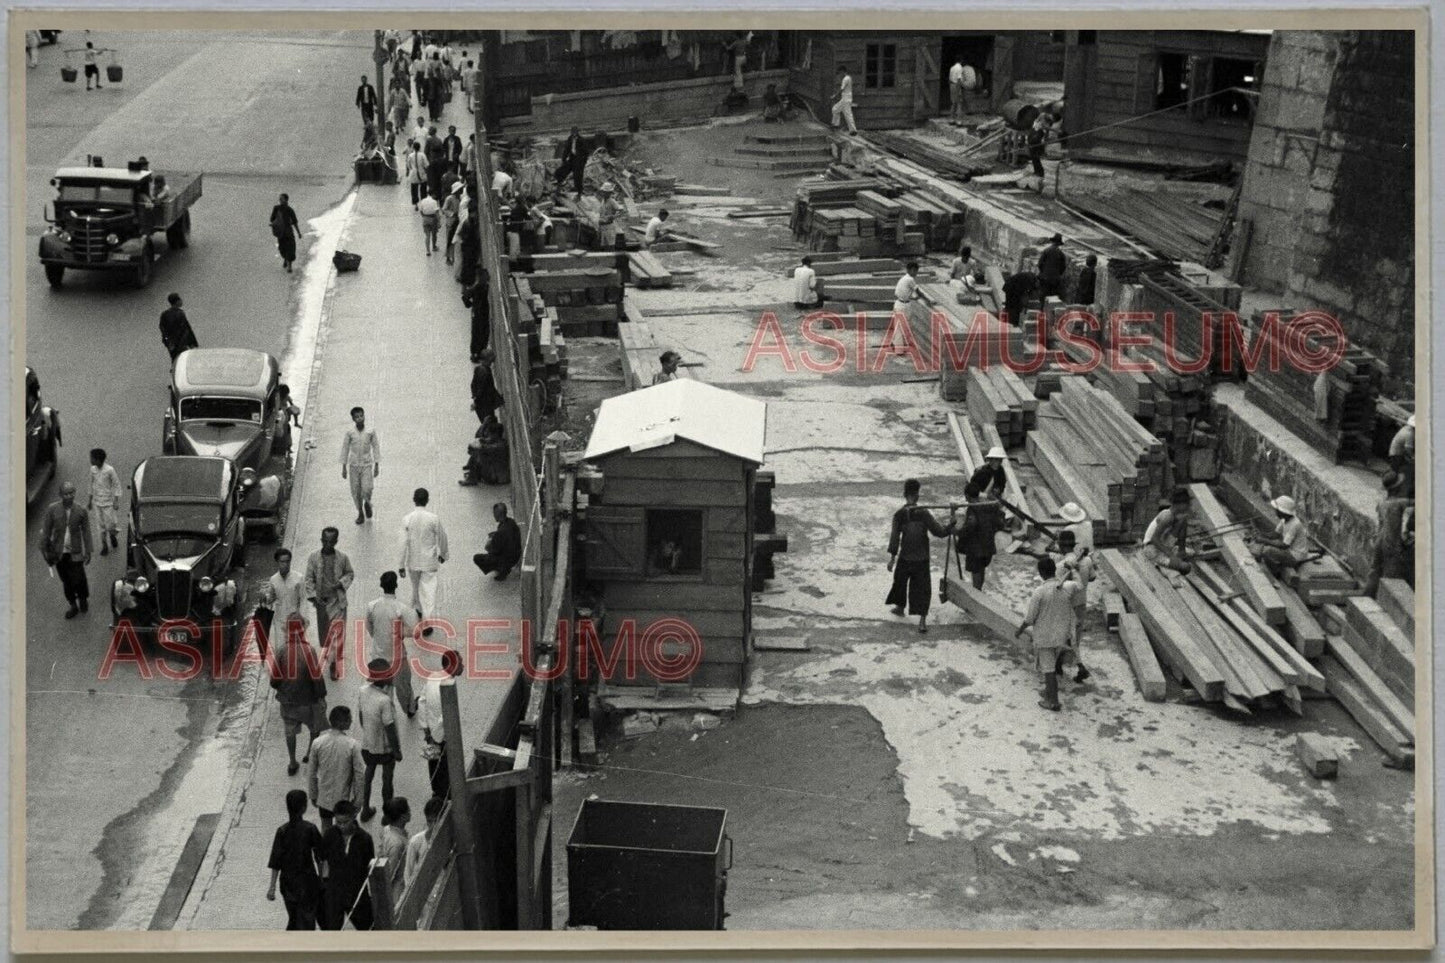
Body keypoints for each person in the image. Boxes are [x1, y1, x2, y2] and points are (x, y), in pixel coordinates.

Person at [885, 479, 954, 634]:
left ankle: (901, 608)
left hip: (906, 556)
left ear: (905, 495)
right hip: (920, 558)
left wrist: (892, 558)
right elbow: (939, 532)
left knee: (900, 582)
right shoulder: (923, 513)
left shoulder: (900, 514)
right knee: (920, 588)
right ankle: (919, 620)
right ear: (916, 496)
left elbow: (894, 537)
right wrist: (950, 526)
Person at [1017, 557, 1083, 712]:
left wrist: (1019, 630)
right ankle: (1049, 694)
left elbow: (1030, 618)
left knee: (1049, 670)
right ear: (1054, 569)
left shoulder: (1039, 592)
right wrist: (1073, 570)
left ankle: (1053, 702)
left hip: (1045, 637)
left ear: (1041, 573)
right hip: (1061, 636)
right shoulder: (1066, 587)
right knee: (1053, 666)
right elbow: (1080, 585)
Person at [272, 622, 328, 776]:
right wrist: (321, 696)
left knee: (289, 731)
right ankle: (309, 753)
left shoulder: (282, 650)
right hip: (307, 701)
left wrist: (284, 689)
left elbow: (273, 680)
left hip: (288, 702)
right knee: (314, 728)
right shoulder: (309, 650)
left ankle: (292, 762)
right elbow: (317, 677)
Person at [266, 789, 325, 930]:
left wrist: (272, 887)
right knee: (307, 920)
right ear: (304, 808)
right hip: (308, 883)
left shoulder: (282, 831)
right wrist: (322, 880)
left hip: (288, 885)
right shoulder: (310, 829)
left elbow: (276, 862)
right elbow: (320, 857)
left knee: (295, 917)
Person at [365, 571, 420, 717]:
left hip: (378, 654)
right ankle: (410, 708)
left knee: (382, 687)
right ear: (396, 585)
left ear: (381, 586)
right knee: (403, 686)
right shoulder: (401, 608)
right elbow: (416, 631)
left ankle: (385, 713)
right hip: (397, 656)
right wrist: (401, 634)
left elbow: (369, 626)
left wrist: (378, 638)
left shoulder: (372, 606)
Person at [357, 659, 404, 822]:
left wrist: (368, 733)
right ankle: (387, 814)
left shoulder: (363, 691)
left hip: (368, 745)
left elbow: (361, 715)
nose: (392, 676)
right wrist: (396, 750)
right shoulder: (384, 701)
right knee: (387, 780)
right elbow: (390, 728)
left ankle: (365, 809)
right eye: (389, 675)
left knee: (368, 775)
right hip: (385, 749)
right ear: (383, 679)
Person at [306, 527, 355, 681]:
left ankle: (334, 664)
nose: (328, 544)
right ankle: (330, 654)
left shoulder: (343, 558)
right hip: (322, 603)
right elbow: (309, 579)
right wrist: (314, 597)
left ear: (336, 542)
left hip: (338, 602)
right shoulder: (313, 558)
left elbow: (350, 573)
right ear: (321, 540)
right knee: (325, 636)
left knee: (338, 634)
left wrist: (340, 584)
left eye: (331, 541)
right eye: (325, 541)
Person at [308, 705, 365, 833]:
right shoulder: (352, 745)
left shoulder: (317, 743)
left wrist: (313, 794)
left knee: (326, 827)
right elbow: (359, 775)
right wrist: (358, 800)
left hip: (324, 797)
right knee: (344, 829)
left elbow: (311, 772)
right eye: (349, 719)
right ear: (341, 722)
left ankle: (326, 851)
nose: (351, 721)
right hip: (344, 798)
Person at [319, 800, 375, 930]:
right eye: (338, 822)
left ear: (354, 816)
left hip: (357, 893)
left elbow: (369, 866)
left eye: (345, 822)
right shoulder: (330, 835)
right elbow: (322, 859)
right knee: (331, 930)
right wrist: (324, 884)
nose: (342, 826)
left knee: (367, 928)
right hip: (335, 892)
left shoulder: (365, 839)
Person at [39, 481, 92, 619]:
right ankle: (73, 604)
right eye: (66, 494)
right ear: (60, 495)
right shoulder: (52, 509)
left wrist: (88, 551)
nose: (70, 496)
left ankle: (83, 599)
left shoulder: (81, 511)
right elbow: (46, 531)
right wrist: (45, 549)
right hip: (59, 553)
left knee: (79, 578)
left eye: (72, 493)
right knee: (66, 580)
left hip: (75, 552)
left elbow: (86, 532)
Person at [398, 487, 448, 627]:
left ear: (414, 500)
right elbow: (443, 538)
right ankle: (426, 621)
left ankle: (418, 610)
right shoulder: (433, 519)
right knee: (428, 591)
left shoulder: (407, 519)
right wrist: (443, 554)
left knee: (415, 587)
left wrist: (401, 565)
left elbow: (402, 543)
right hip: (429, 562)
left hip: (413, 562)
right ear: (427, 500)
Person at [419, 649, 465, 798]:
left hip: (431, 730)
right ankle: (446, 795)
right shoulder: (448, 685)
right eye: (460, 663)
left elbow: (422, 701)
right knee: (446, 766)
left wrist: (426, 729)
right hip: (442, 735)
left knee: (433, 764)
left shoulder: (432, 677)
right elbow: (444, 716)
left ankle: (436, 791)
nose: (463, 666)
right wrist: (435, 737)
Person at [1367, 471, 1415, 595]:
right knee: (1391, 575)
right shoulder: (1399, 503)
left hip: (1379, 539)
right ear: (1397, 487)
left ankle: (1368, 595)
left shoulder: (1382, 503)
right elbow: (1414, 503)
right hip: (1391, 542)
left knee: (1374, 570)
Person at [955, 480, 1003, 590]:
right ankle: (979, 591)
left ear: (967, 496)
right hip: (988, 548)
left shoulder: (972, 509)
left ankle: (977, 595)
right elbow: (999, 523)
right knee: (981, 571)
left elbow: (971, 525)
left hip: (976, 550)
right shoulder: (989, 506)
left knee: (976, 576)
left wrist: (958, 532)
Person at [1252, 495, 1314, 579]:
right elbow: (1275, 534)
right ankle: (1274, 563)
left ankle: (1276, 573)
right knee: (1267, 547)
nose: (1275, 512)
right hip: (1289, 551)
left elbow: (1284, 545)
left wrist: (1264, 540)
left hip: (1295, 556)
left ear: (1283, 512)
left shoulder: (1294, 524)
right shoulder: (1284, 520)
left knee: (1268, 551)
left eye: (1277, 510)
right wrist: (1261, 534)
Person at [340, 406, 380, 525]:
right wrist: (344, 467)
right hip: (353, 466)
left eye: (361, 416)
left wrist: (377, 465)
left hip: (366, 464)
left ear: (364, 416)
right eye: (357, 417)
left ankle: (367, 503)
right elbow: (345, 449)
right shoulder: (350, 433)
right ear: (353, 419)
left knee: (367, 488)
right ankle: (360, 512)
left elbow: (376, 447)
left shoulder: (370, 431)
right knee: (356, 490)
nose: (360, 419)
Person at [263, 547, 307, 652]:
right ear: (277, 562)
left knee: (295, 650)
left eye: (288, 561)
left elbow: (303, 600)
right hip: (280, 620)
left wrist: (303, 618)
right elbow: (271, 598)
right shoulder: (273, 580)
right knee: (280, 649)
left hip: (295, 619)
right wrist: (265, 598)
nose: (285, 564)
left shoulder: (299, 578)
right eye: (282, 562)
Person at [1141, 488, 1193, 574]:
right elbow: (1154, 539)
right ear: (1180, 504)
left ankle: (1181, 551)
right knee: (1186, 567)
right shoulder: (1167, 516)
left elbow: (1180, 530)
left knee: (1183, 520)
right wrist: (1171, 555)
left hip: (1163, 543)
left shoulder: (1173, 516)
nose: (1188, 506)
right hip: (1152, 549)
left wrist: (1181, 550)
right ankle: (1171, 559)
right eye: (1187, 504)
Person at [404, 795, 446, 891]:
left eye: (436, 821)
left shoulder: (451, 839)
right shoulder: (416, 842)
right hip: (426, 893)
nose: (433, 825)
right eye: (429, 821)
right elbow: (408, 873)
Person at [473, 503, 522, 581]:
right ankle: (502, 567)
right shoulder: (511, 522)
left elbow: (494, 550)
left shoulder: (500, 532)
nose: (493, 515)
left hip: (508, 559)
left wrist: (490, 542)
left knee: (477, 558)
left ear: (497, 514)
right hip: (516, 555)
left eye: (494, 513)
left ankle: (501, 569)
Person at [87, 448, 122, 556]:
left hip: (108, 502)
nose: (90, 460)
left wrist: (116, 500)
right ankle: (104, 545)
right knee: (100, 526)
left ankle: (112, 535)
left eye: (92, 458)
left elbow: (116, 484)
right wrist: (89, 500)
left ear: (98, 460)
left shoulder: (109, 470)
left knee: (111, 524)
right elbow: (90, 484)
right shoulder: (92, 470)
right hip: (97, 502)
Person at [377, 797, 412, 897]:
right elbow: (391, 872)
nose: (410, 812)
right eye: (408, 810)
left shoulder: (387, 830)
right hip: (398, 889)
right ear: (403, 817)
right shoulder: (397, 844)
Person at [461, 415, 508, 487]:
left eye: (489, 435)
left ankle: (472, 478)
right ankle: (472, 474)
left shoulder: (500, 445)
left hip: (496, 478)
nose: (487, 436)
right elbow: (479, 437)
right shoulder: (499, 442)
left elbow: (484, 449)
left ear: (495, 434)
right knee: (478, 452)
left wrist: (477, 447)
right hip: (495, 474)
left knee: (479, 454)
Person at [158, 292, 198, 363]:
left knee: (174, 358)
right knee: (184, 360)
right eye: (180, 299)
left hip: (171, 344)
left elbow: (162, 329)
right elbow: (186, 329)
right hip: (181, 344)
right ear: (177, 302)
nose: (182, 301)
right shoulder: (180, 314)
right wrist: (192, 343)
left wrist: (168, 342)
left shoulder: (164, 314)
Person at [270, 194, 302, 273]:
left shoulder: (289, 210)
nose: (280, 200)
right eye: (280, 199)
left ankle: (289, 266)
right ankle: (286, 259)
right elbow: (271, 219)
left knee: (290, 248)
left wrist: (298, 232)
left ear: (286, 200)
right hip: (281, 232)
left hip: (287, 232)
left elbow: (295, 222)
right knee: (282, 248)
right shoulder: (276, 208)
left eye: (282, 199)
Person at [471, 349, 502, 425]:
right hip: (485, 404)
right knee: (490, 423)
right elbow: (483, 389)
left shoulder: (478, 369)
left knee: (488, 422)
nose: (491, 363)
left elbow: (473, 385)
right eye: (491, 361)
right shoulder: (485, 372)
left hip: (483, 403)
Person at [556, 126, 588, 198]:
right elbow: (566, 149)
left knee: (578, 177)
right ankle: (559, 188)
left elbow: (586, 152)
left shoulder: (581, 140)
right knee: (560, 172)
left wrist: (583, 162)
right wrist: (564, 159)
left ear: (577, 132)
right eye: (572, 132)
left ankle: (579, 193)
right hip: (572, 159)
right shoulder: (570, 139)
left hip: (579, 161)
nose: (573, 134)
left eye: (575, 132)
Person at [273, 383, 302, 455]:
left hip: (284, 419)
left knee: (286, 435)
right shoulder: (277, 400)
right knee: (283, 435)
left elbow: (293, 408)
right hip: (281, 419)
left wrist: (296, 422)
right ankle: (286, 448)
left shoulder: (285, 398)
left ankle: (287, 448)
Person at [1037, 234, 1067, 303]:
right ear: (1059, 244)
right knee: (1053, 298)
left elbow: (1040, 264)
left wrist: (1043, 272)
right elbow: (1063, 267)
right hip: (1055, 280)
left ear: (1052, 242)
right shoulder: (1061, 254)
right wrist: (1058, 274)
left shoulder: (1046, 251)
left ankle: (1041, 310)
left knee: (1043, 297)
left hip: (1044, 278)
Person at [1026, 113, 1054, 186]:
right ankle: (1037, 172)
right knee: (1034, 157)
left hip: (1037, 137)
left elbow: (1045, 130)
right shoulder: (1040, 120)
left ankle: (1040, 173)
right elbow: (1040, 128)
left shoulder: (1043, 123)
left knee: (1036, 157)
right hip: (1035, 135)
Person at [831, 63, 857, 134]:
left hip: (846, 99)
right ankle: (836, 125)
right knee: (835, 109)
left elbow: (841, 89)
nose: (839, 74)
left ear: (843, 71)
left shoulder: (845, 79)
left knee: (847, 114)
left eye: (840, 73)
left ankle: (853, 130)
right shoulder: (849, 78)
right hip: (846, 98)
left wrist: (834, 96)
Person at [596, 183, 622, 250]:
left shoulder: (612, 201)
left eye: (605, 192)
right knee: (604, 246)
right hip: (602, 226)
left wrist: (612, 216)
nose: (603, 194)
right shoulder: (603, 201)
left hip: (609, 226)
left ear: (609, 193)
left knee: (611, 246)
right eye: (603, 192)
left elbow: (620, 210)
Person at [441, 182, 462, 265]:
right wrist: (452, 214)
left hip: (458, 220)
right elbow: (444, 209)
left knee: (455, 239)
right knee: (449, 239)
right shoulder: (449, 198)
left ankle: (453, 257)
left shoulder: (460, 198)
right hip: (451, 221)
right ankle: (448, 257)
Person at [405, 139, 427, 207]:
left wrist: (411, 169)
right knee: (423, 188)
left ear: (413, 147)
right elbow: (426, 165)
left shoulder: (410, 155)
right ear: (419, 147)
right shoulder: (422, 155)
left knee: (414, 189)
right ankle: (423, 201)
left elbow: (408, 165)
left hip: (413, 174)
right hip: (422, 173)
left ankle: (415, 203)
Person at [417, 191, 441, 256]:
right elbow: (437, 213)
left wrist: (424, 217)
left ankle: (427, 251)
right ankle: (434, 247)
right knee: (434, 234)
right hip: (433, 219)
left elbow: (421, 211)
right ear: (433, 194)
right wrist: (439, 222)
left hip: (425, 218)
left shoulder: (422, 201)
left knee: (427, 236)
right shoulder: (434, 202)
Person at [948, 59, 969, 123]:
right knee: (959, 103)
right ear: (961, 61)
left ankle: (951, 119)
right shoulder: (960, 68)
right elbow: (959, 79)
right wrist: (959, 89)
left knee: (953, 103)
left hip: (952, 85)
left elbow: (949, 79)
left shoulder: (952, 68)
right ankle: (959, 121)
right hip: (957, 85)